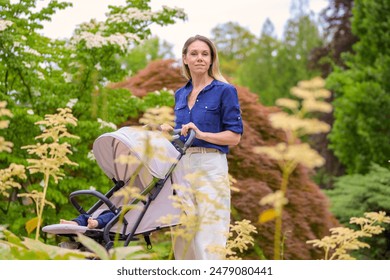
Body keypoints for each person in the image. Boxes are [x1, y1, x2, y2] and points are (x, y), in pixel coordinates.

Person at [161, 35, 243, 260]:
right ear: (185, 59)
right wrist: (169, 132)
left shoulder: (225, 90)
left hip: (210, 166)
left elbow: (234, 137)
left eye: (205, 54)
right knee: (183, 239)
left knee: (209, 238)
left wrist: (202, 133)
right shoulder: (180, 94)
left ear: (211, 60)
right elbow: (182, 136)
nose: (200, 58)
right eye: (194, 54)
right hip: (181, 168)